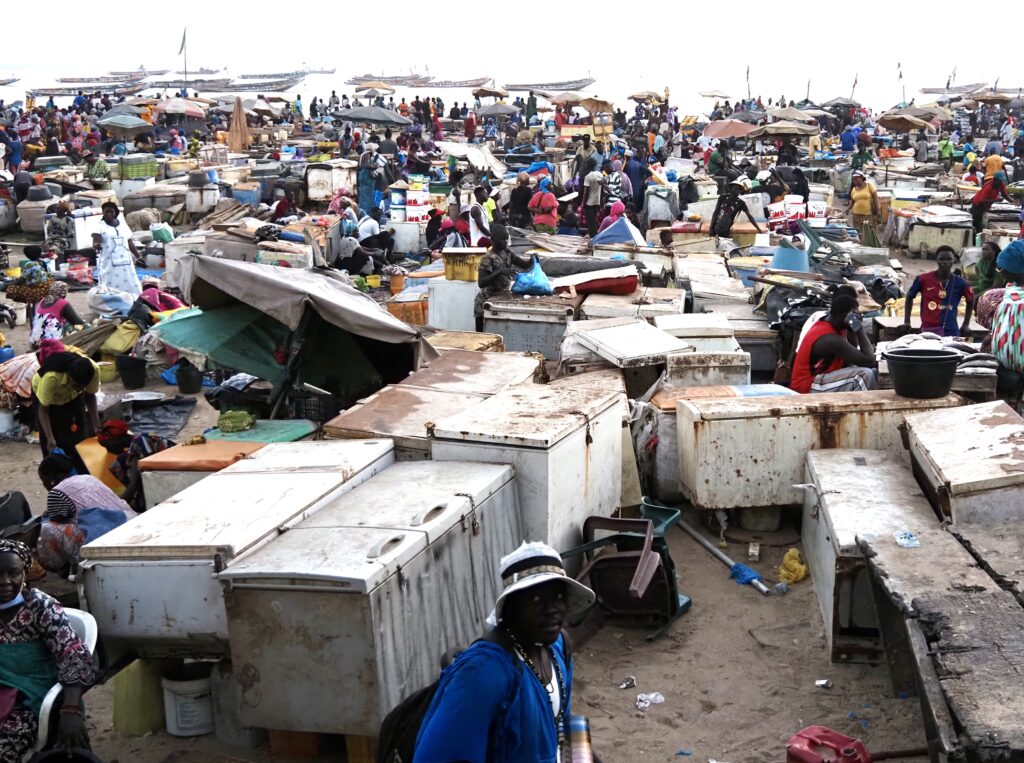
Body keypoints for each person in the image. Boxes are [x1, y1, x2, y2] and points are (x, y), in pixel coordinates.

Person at [413, 541, 595, 763]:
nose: (552, 610)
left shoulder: (559, 647)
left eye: (558, 597)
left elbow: (561, 724)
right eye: (536, 599)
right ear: (512, 606)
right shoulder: (485, 673)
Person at [0, 539, 95, 760]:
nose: (4, 582)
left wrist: (70, 711)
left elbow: (74, 656)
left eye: (13, 573)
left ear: (24, 573)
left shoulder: (40, 607)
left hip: (30, 701)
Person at [790, 288, 878, 393]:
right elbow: (869, 360)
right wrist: (859, 329)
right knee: (863, 376)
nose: (858, 317)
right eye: (855, 314)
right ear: (845, 314)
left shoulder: (836, 324)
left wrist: (852, 327)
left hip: (822, 378)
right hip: (806, 386)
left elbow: (853, 354)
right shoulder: (829, 338)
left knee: (874, 372)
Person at [31, 351, 99, 473]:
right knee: (53, 440)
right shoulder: (51, 377)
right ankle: (56, 476)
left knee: (78, 435)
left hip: (71, 397)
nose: (80, 389)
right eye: (77, 385)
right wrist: (50, 438)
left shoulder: (93, 370)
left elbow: (90, 396)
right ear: (69, 375)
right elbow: (44, 411)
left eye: (83, 387)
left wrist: (96, 426)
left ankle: (80, 471)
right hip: (46, 401)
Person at [97, 419, 172, 512]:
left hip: (169, 475)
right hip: (157, 476)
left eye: (107, 446)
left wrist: (115, 507)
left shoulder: (139, 442)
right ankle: (136, 499)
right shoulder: (133, 447)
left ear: (116, 441)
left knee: (122, 463)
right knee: (118, 464)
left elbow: (134, 484)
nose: (108, 451)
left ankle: (139, 501)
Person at [903, 246, 974, 337]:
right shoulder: (923, 279)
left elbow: (971, 299)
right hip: (927, 329)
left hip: (951, 330)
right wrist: (907, 322)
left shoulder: (960, 283)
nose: (945, 262)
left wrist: (966, 324)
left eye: (949, 259)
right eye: (942, 259)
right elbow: (909, 296)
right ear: (936, 260)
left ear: (954, 260)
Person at [474, 224, 532, 331]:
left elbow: (524, 265)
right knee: (482, 334)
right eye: (502, 239)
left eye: (506, 239)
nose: (505, 242)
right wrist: (500, 271)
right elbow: (481, 283)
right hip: (485, 301)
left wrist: (532, 260)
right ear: (493, 240)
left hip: (500, 297)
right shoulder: (487, 258)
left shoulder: (507, 251)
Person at [985, 242, 1024, 385]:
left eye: (1002, 268)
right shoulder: (1009, 290)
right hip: (1008, 372)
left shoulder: (1017, 301)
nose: (1000, 271)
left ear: (1017, 269)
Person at [96, 201, 141, 296]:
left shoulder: (123, 225)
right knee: (110, 282)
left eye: (111, 212)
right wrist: (96, 244)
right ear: (103, 213)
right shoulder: (99, 225)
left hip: (126, 262)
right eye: (106, 212)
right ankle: (110, 301)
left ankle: (133, 299)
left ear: (115, 212)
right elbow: (96, 239)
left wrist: (138, 256)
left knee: (129, 280)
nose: (109, 214)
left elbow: (129, 241)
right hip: (108, 262)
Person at [29, 282, 82, 349]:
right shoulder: (62, 302)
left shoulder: (42, 300)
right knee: (75, 328)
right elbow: (77, 321)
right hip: (50, 346)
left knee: (62, 321)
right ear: (64, 293)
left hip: (34, 343)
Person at [846, 171, 881, 247]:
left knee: (870, 232)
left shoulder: (869, 186)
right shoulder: (854, 189)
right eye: (853, 180)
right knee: (858, 232)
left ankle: (873, 247)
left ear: (862, 178)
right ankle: (862, 247)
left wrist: (878, 211)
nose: (855, 181)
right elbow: (852, 201)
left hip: (868, 215)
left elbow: (876, 199)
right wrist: (848, 209)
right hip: (856, 215)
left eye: (856, 179)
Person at [582, 159, 605, 236]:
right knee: (595, 221)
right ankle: (595, 235)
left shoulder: (588, 177)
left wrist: (583, 204)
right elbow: (602, 189)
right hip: (597, 202)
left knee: (590, 222)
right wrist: (601, 202)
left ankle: (593, 237)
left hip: (589, 203)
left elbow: (586, 192)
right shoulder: (600, 174)